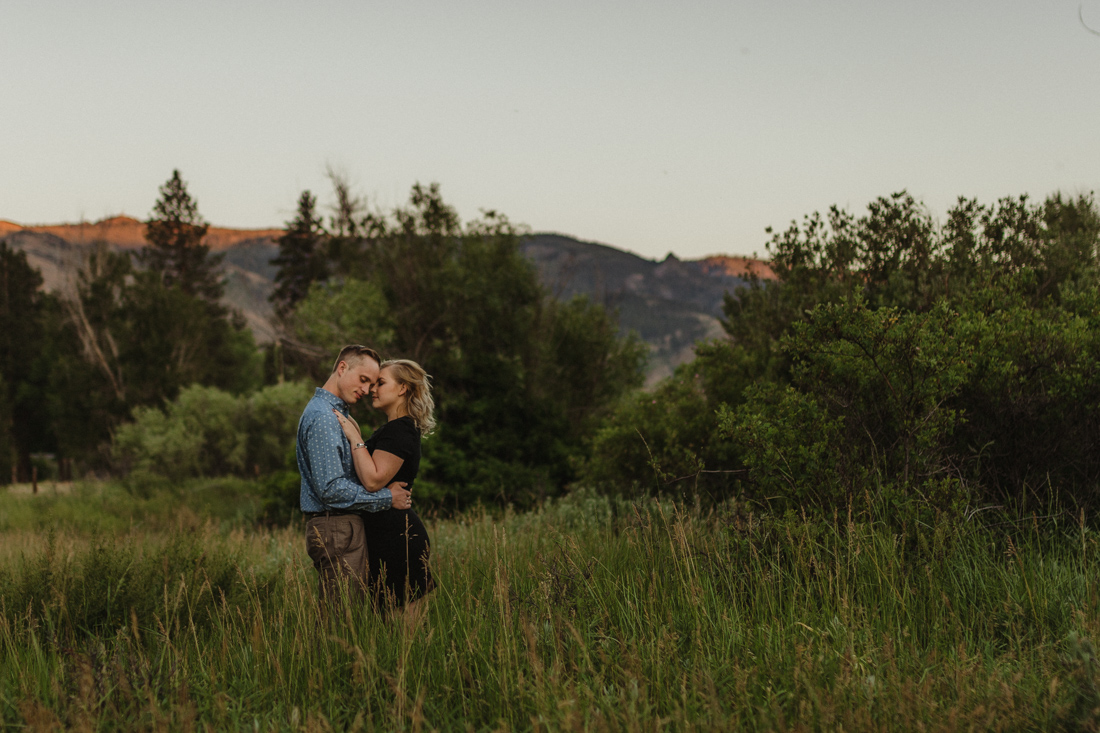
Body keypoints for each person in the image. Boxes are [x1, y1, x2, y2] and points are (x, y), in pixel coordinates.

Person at [297, 345, 413, 605]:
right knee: (340, 621)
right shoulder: (324, 418)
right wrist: (386, 498)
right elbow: (331, 490)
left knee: (348, 618)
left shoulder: (335, 415)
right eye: (363, 380)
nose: (367, 389)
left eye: (373, 383)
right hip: (336, 526)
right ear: (342, 368)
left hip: (341, 527)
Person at [333, 358, 436, 617]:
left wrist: (354, 437)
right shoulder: (392, 429)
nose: (372, 390)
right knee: (391, 629)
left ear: (402, 388)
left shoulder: (400, 430)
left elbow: (372, 480)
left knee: (405, 634)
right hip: (385, 535)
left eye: (381, 383)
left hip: (398, 538)